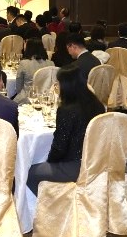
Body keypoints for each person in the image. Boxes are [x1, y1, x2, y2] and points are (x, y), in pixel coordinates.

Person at [26, 65, 105, 194]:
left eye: (58, 83)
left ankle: (54, 204)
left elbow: (59, 148)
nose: (56, 86)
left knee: (30, 173)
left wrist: (50, 162)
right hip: (97, 162)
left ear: (66, 85)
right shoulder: (97, 104)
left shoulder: (67, 110)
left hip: (75, 166)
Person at [13, 38, 53, 104]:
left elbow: (18, 87)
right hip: (45, 99)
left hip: (27, 98)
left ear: (29, 48)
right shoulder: (51, 63)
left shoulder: (24, 63)